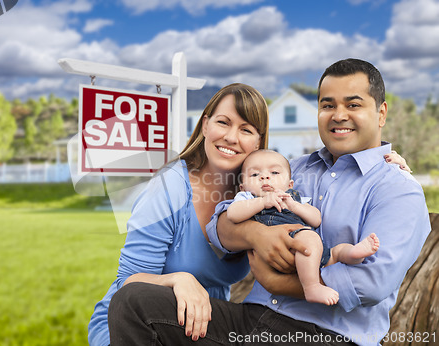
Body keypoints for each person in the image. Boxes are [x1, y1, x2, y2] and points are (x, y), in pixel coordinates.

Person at [108, 58, 430, 346]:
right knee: (135, 302)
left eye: (353, 104)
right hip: (249, 321)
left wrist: (277, 281)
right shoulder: (293, 169)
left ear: (381, 112)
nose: (338, 115)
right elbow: (219, 226)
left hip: (324, 335)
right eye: (328, 105)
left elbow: (371, 283)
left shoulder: (397, 189)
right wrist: (255, 235)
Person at [88, 83, 297, 345]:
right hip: (135, 324)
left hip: (202, 325)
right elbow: (128, 282)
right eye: (224, 122)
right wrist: (178, 279)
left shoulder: (253, 194)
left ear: (258, 141)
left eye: (246, 129)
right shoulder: (170, 186)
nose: (232, 137)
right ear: (205, 125)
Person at [227, 149, 380, 306]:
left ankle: (354, 253)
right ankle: (312, 286)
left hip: (309, 251)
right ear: (242, 187)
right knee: (310, 238)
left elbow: (316, 219)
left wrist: (295, 206)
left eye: (274, 172)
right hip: (285, 247)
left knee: (336, 252)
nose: (265, 177)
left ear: (289, 185)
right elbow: (233, 214)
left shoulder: (293, 198)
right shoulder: (247, 198)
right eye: (254, 175)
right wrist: (262, 202)